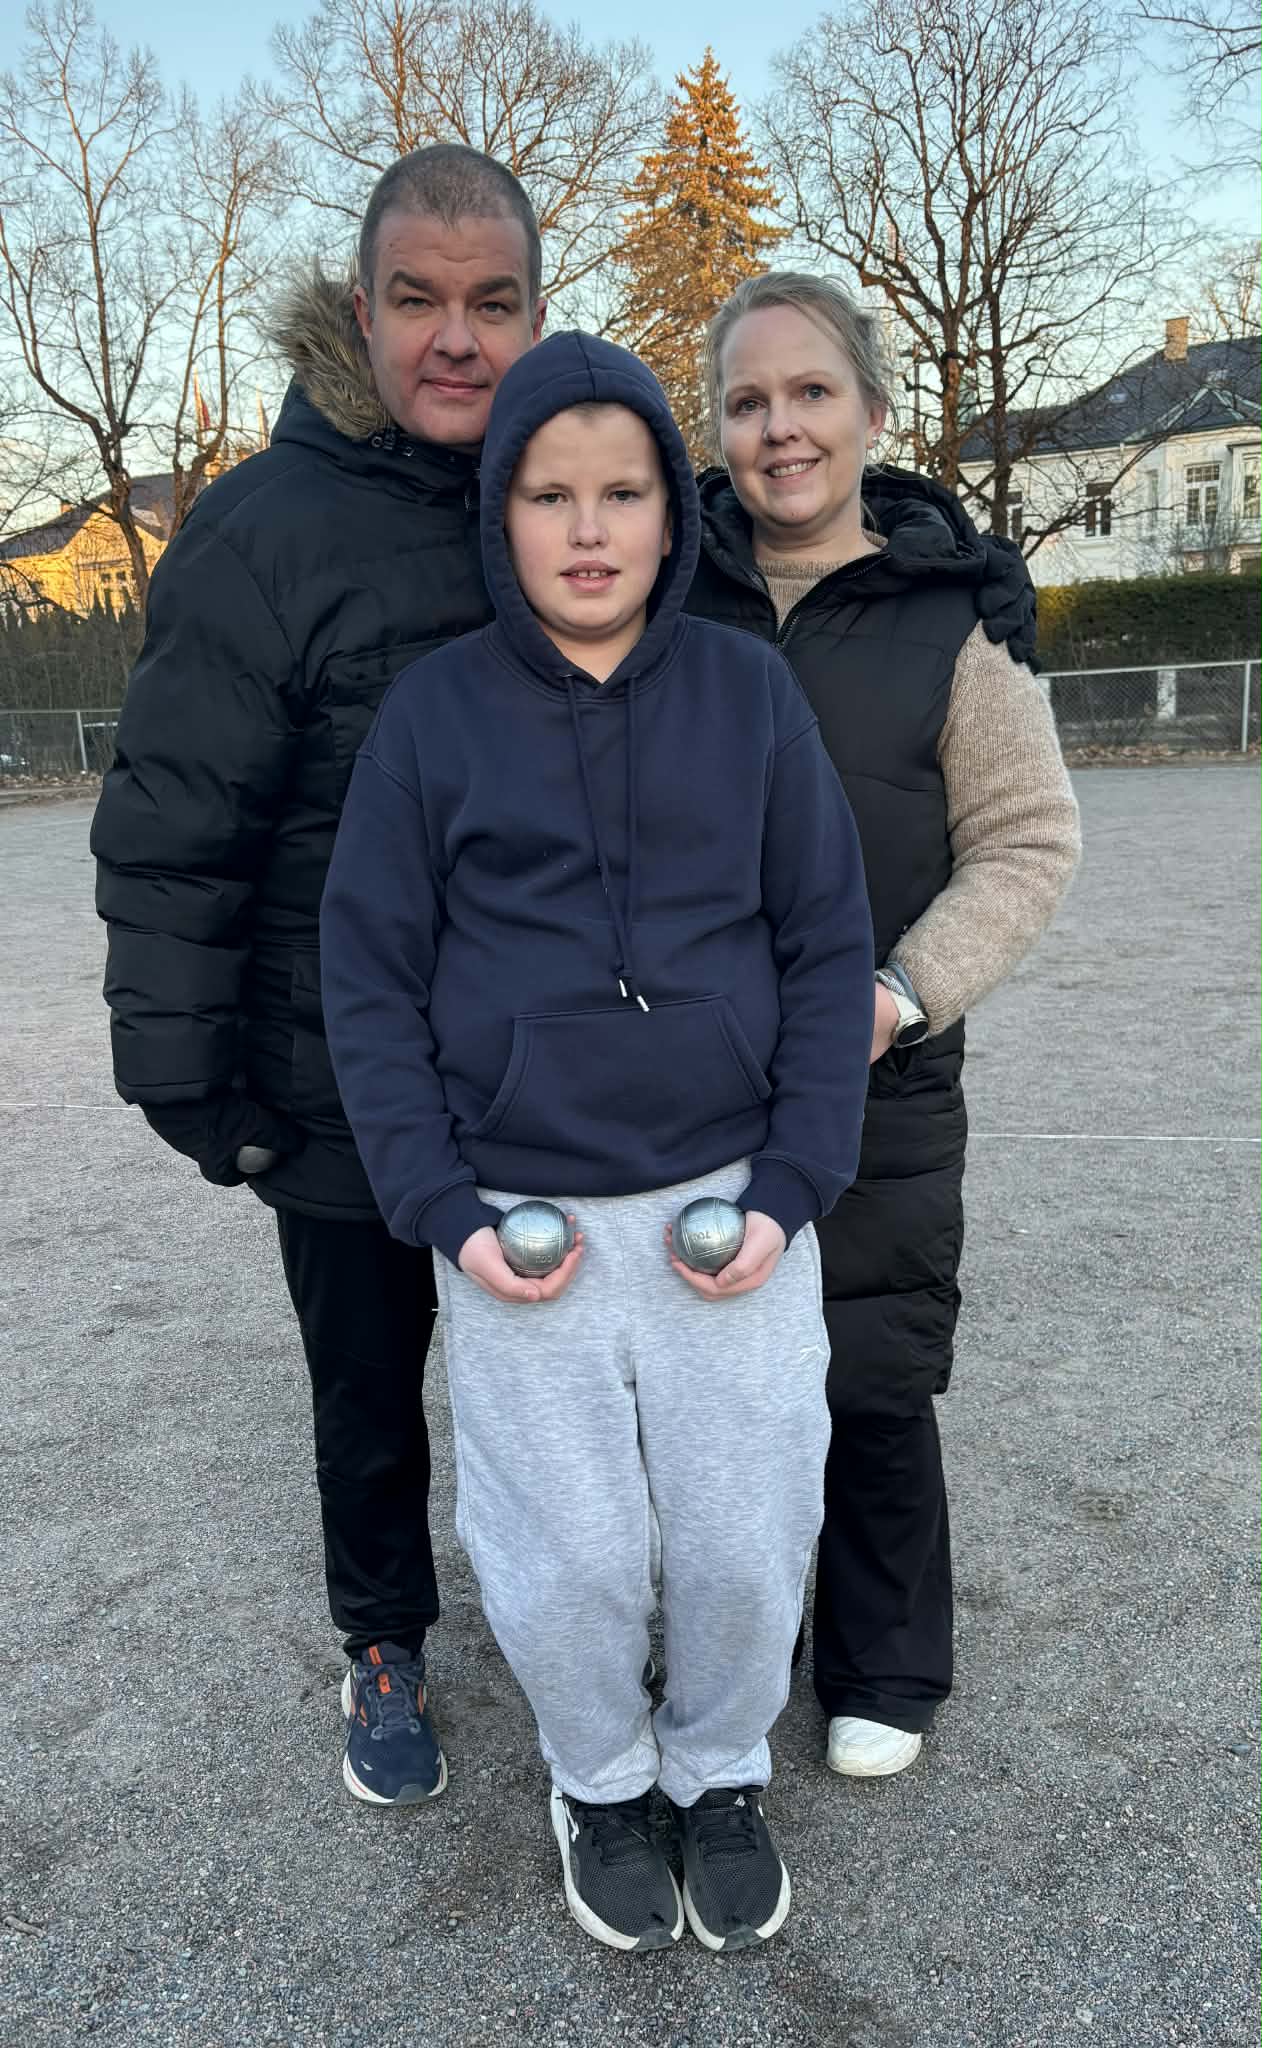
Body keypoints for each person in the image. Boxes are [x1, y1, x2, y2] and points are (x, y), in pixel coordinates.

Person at [318, 331, 875, 1952]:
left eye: (621, 491)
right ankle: (603, 1780)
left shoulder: (745, 693)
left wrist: (792, 1183)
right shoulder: (432, 715)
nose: (585, 528)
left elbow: (824, 943)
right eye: (547, 494)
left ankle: (715, 1769)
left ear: (669, 511)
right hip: (521, 1218)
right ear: (497, 512)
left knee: (742, 1536)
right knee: (566, 1555)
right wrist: (441, 1202)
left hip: (731, 1208)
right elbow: (370, 976)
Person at [90, 145, 546, 1807]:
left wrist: (932, 558)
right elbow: (176, 829)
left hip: (549, 1072)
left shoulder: (576, 490)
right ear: (359, 311)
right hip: (339, 1073)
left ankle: (580, 1638)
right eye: (418, 299)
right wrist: (193, 1081)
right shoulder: (256, 531)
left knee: (563, 1383)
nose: (455, 337)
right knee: (365, 1386)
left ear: (535, 315)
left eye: (491, 302)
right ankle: (384, 1642)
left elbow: (766, 610)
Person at [686, 272, 1082, 1780]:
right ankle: (725, 1637)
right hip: (686, 1076)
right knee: (706, 1378)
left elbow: (1027, 841)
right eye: (746, 401)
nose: (779, 428)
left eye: (809, 392)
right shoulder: (664, 594)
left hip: (875, 1074)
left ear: (869, 408)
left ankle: (884, 1660)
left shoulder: (954, 618)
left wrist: (902, 994)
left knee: (868, 1371)